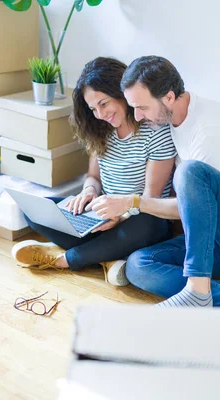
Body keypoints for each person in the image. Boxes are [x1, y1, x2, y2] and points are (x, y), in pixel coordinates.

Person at [86, 55, 220, 310]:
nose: (137, 116)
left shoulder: (210, 125)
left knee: (188, 172)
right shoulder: (169, 120)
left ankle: (197, 289)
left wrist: (130, 202)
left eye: (143, 108)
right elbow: (197, 213)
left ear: (169, 97)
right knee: (138, 266)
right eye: (133, 108)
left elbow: (195, 207)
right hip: (216, 242)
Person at [11, 57, 176, 286]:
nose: (99, 114)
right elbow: (94, 177)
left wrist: (120, 216)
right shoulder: (100, 130)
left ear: (122, 92)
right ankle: (107, 258)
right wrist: (88, 192)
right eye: (93, 108)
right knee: (35, 210)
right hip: (103, 215)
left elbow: (151, 199)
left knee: (148, 224)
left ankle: (66, 259)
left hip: (138, 218)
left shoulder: (156, 131)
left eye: (104, 103)